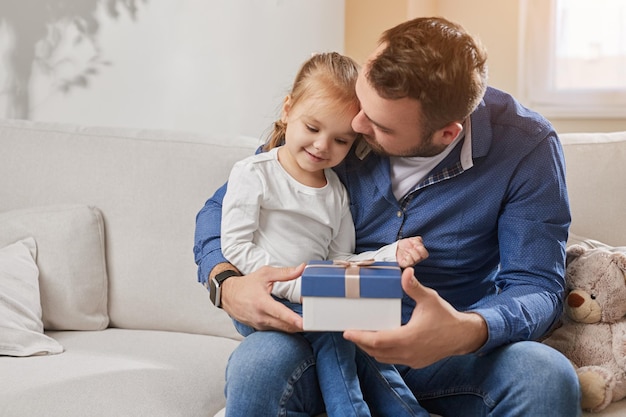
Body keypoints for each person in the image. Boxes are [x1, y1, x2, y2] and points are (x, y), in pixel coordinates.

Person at [194, 16, 582, 417]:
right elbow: (221, 207)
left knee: (546, 376)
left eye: (377, 125)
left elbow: (536, 285)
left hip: (442, 350)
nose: (356, 124)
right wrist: (226, 283)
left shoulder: (526, 147)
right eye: (363, 101)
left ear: (446, 133)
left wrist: (465, 331)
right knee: (258, 366)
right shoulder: (337, 120)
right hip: (323, 333)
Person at [220, 52, 429, 417]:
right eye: (313, 128)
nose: (322, 146)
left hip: (317, 292)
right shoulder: (254, 173)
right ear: (288, 110)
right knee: (338, 327)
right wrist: (294, 283)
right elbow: (236, 245)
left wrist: (388, 254)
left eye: (340, 141)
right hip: (266, 299)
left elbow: (339, 260)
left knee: (357, 332)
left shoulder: (335, 191)